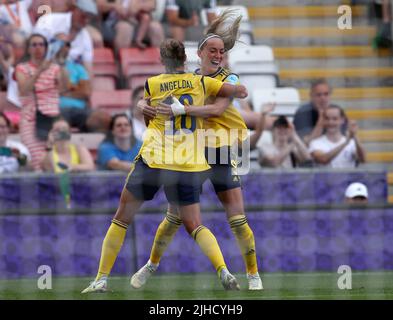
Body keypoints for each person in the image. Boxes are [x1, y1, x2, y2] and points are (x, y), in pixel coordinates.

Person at [81, 38, 248, 293]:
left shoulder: (153, 83)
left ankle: (101, 278)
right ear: (185, 60)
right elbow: (239, 91)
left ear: (162, 60)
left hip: (155, 159)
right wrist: (232, 81)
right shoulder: (201, 82)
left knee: (122, 218)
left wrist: (142, 105)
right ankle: (223, 270)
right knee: (194, 224)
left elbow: (147, 116)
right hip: (188, 163)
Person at [132, 10, 263, 291]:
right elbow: (161, 106)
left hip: (222, 151)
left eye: (222, 52)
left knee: (237, 218)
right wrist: (142, 105)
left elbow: (217, 108)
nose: (218, 56)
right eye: (213, 51)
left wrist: (185, 108)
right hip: (192, 154)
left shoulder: (229, 78)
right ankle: (151, 264)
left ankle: (253, 274)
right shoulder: (191, 79)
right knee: (174, 217)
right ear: (200, 53)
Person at [15, 33, 68, 171]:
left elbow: (64, 87)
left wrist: (61, 63)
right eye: (34, 45)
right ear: (28, 49)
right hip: (31, 120)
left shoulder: (55, 68)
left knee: (53, 160)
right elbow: (24, 90)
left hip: (52, 119)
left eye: (41, 44)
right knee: (37, 161)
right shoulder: (22, 68)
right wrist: (40, 71)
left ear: (46, 47)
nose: (38, 48)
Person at [33, 0, 98, 76]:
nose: (86, 21)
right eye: (83, 16)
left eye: (89, 18)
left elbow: (88, 69)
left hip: (68, 78)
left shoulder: (86, 37)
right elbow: (33, 47)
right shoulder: (49, 20)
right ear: (74, 9)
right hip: (41, 70)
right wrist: (55, 41)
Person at [55, 38, 92, 132]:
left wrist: (63, 92)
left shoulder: (78, 68)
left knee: (97, 119)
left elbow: (86, 92)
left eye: (67, 45)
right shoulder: (46, 67)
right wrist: (73, 88)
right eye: (61, 44)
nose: (64, 47)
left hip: (80, 110)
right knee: (61, 123)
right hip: (57, 109)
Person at [97, 0, 164, 52]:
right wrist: (114, 6)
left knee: (156, 27)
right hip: (113, 22)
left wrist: (138, 6)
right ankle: (120, 64)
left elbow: (152, 5)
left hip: (139, 22)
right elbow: (99, 5)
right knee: (125, 28)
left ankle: (160, 64)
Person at [293, 78, 334, 146]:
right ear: (311, 96)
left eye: (326, 94)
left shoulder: (336, 111)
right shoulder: (303, 112)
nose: (323, 98)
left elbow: (341, 138)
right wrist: (321, 116)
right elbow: (307, 143)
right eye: (319, 95)